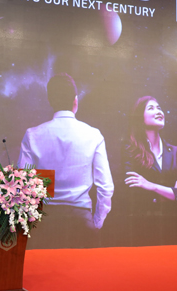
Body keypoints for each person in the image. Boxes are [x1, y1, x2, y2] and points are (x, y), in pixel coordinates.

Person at [18, 73, 114, 238]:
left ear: (50, 101)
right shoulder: (94, 135)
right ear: (75, 100)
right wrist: (97, 221)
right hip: (81, 221)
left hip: (44, 223)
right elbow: (106, 187)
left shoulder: (32, 135)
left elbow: (22, 184)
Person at [124, 96, 177, 244]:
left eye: (159, 108)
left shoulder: (176, 152)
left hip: (174, 231)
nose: (159, 111)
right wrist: (173, 191)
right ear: (140, 117)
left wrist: (151, 186)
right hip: (143, 232)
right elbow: (131, 195)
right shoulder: (130, 151)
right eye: (151, 108)